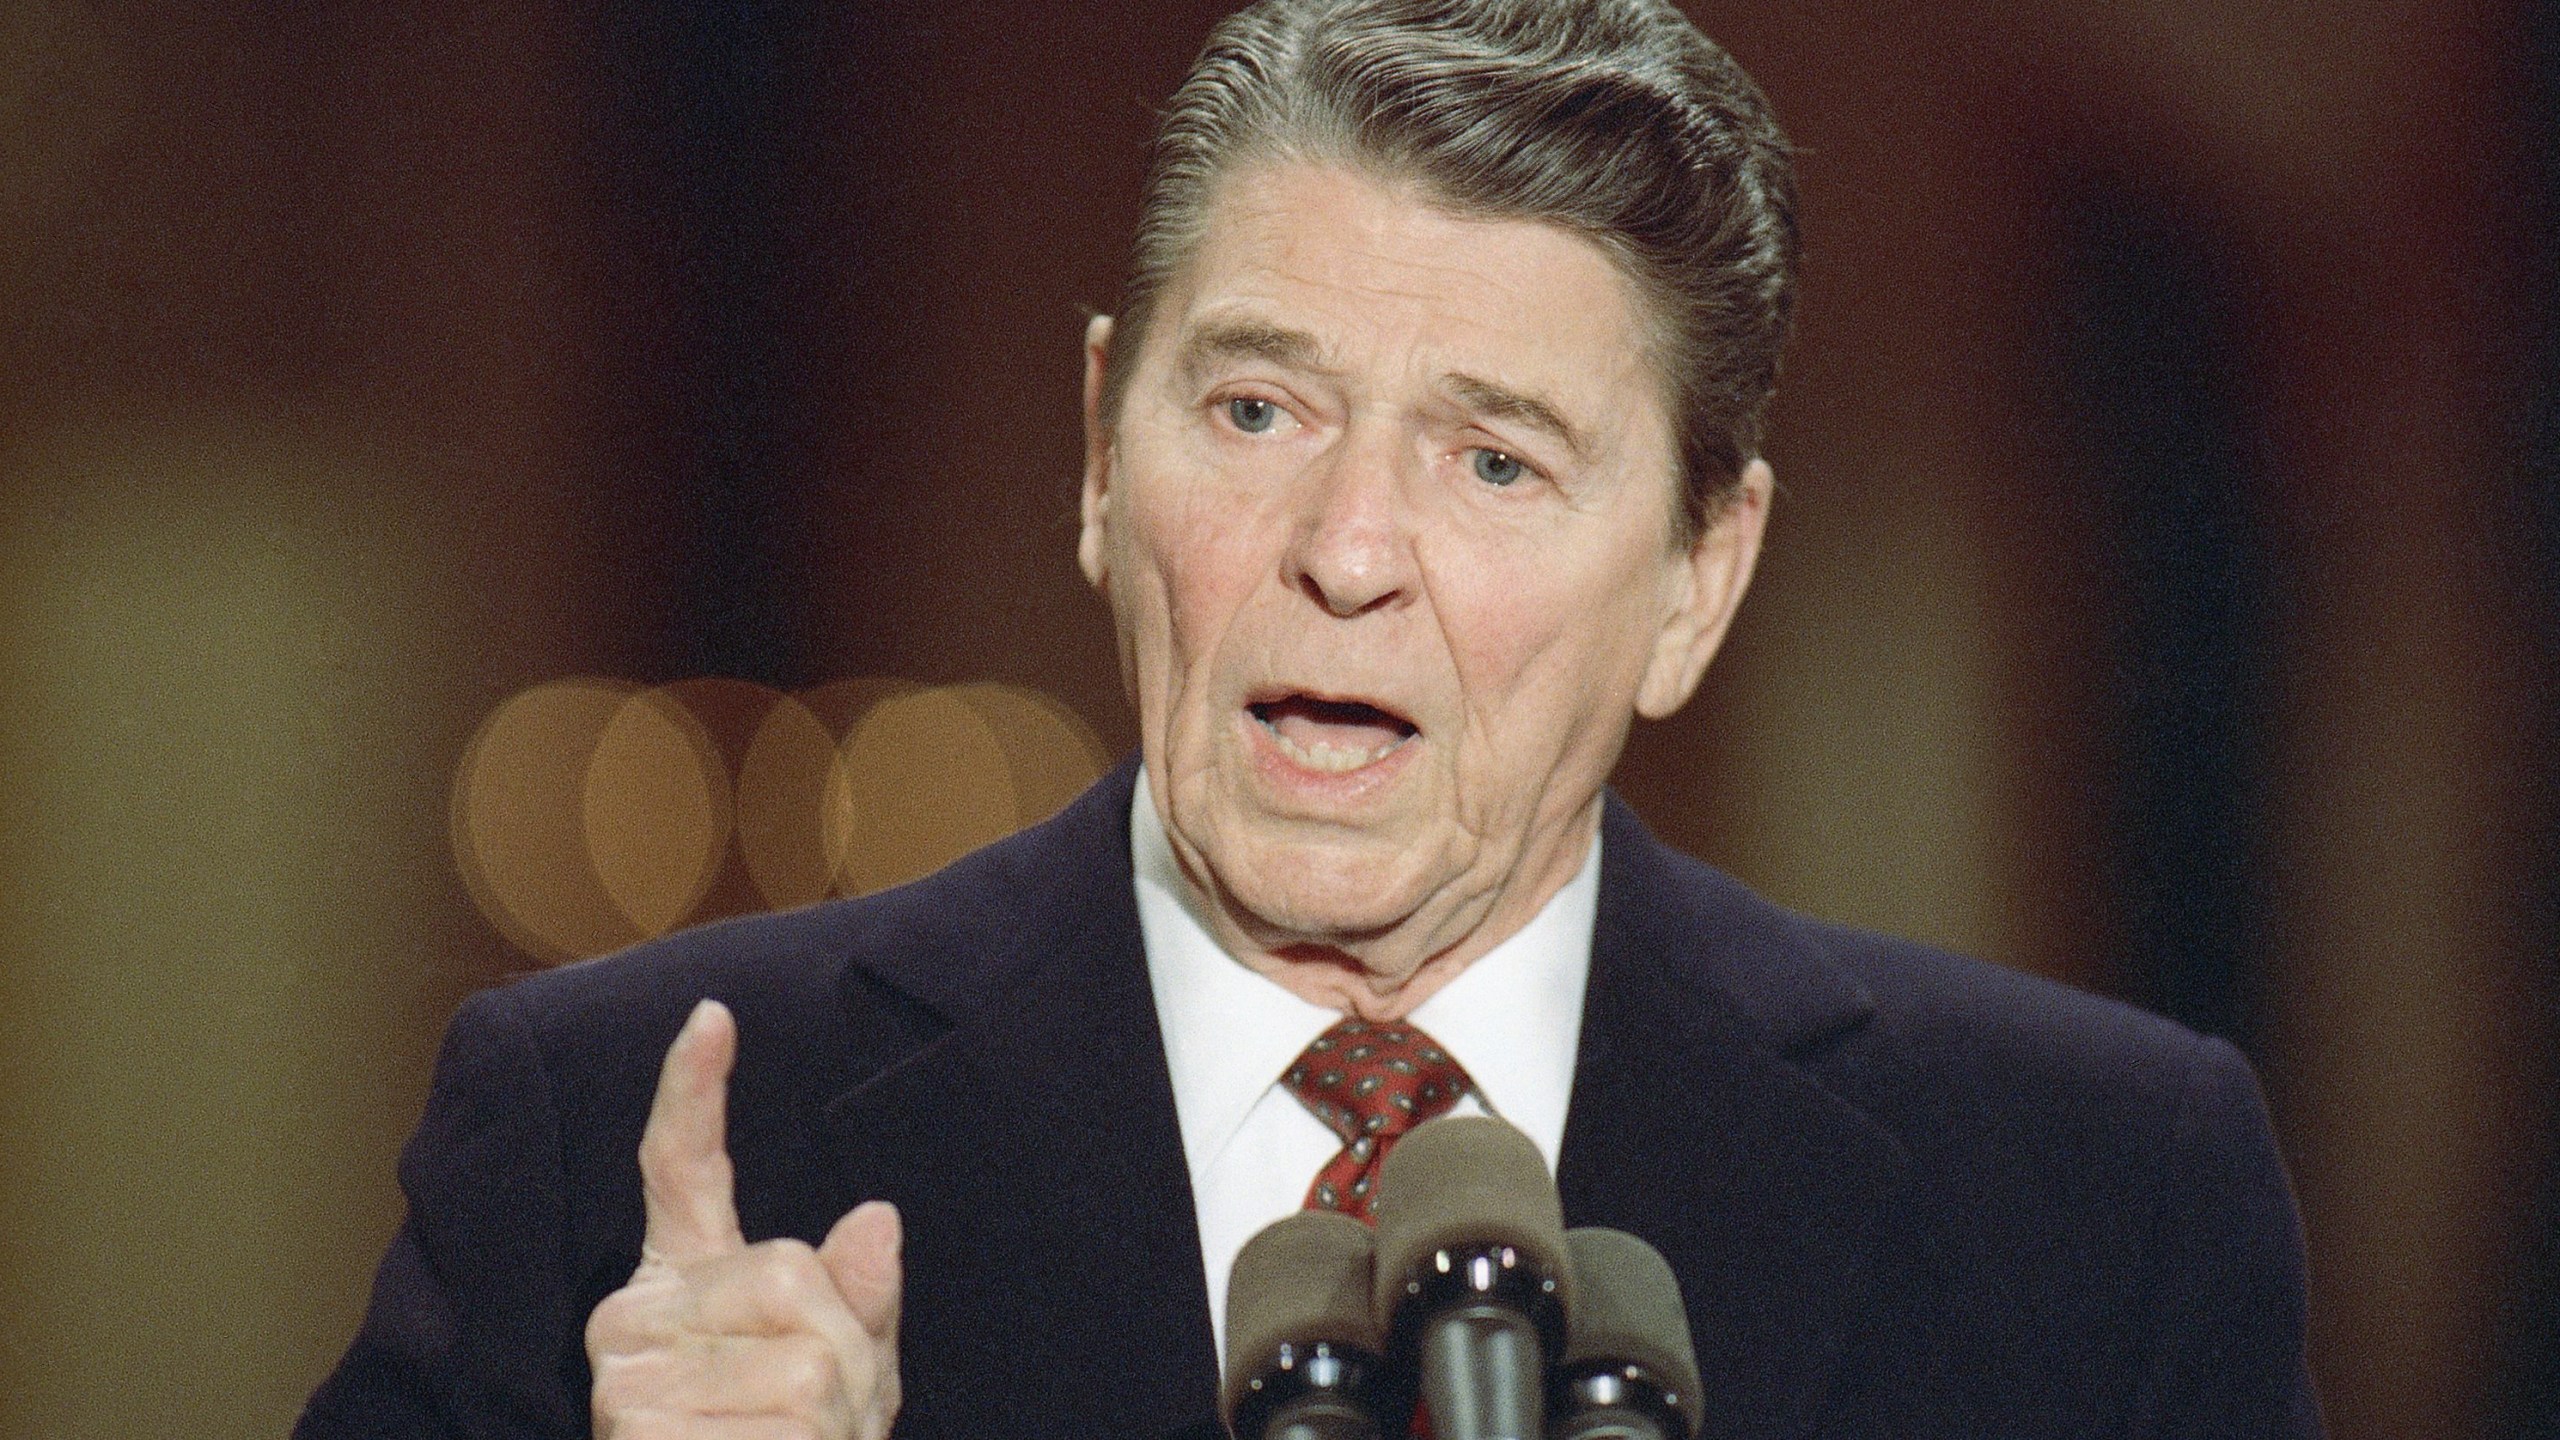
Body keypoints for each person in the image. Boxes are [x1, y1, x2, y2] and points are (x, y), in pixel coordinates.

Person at [300, 1, 2324, 1436]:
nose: (1344, 550)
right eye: (1255, 410)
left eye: (1495, 464)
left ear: (1700, 576)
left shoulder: (2092, 1202)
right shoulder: (615, 1159)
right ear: (1101, 451)